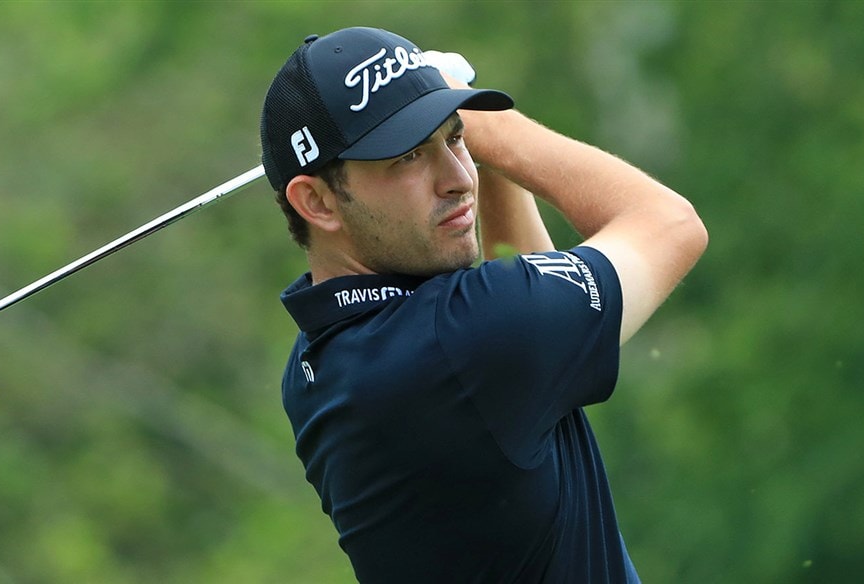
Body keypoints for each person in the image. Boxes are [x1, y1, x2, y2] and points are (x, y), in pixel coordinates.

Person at [259, 27, 707, 583]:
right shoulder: (462, 341)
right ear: (317, 200)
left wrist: (448, 119)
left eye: (454, 139)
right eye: (409, 156)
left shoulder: (319, 361)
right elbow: (670, 224)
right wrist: (493, 127)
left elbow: (530, 300)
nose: (459, 177)